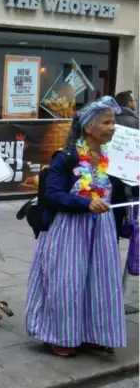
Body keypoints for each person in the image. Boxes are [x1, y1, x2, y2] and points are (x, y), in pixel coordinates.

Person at [25, 96, 136, 357]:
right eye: (107, 122)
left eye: (113, 122)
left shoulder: (111, 159)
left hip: (101, 232)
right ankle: (61, 335)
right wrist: (85, 204)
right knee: (67, 282)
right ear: (88, 127)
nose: (113, 127)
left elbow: (123, 191)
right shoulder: (66, 158)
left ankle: (91, 333)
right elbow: (51, 194)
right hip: (68, 230)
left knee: (98, 282)